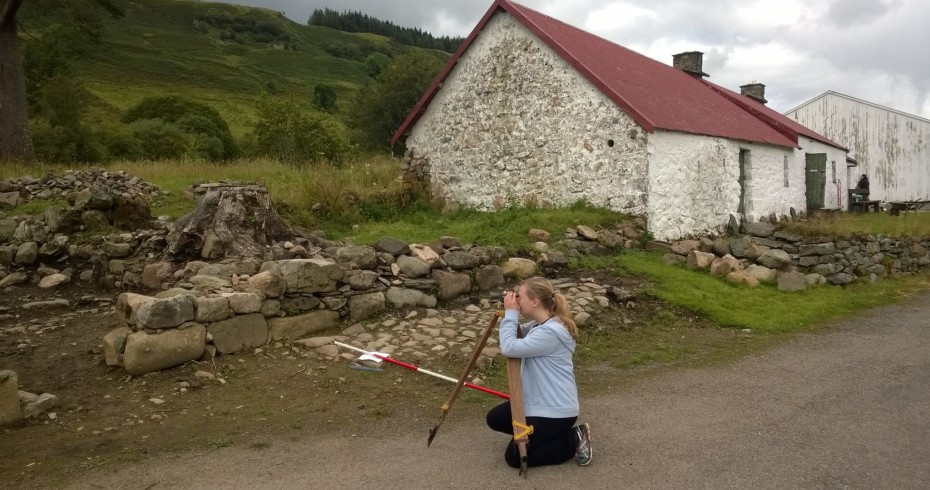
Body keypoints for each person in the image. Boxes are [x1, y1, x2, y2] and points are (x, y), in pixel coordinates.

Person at [486, 277, 592, 468]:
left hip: (555, 410)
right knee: (495, 418)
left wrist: (510, 314)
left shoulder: (551, 332)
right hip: (537, 401)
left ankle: (572, 438)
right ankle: (542, 437)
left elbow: (510, 347)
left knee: (515, 458)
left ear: (534, 301)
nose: (517, 300)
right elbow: (516, 335)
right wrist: (511, 312)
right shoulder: (541, 325)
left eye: (520, 296)